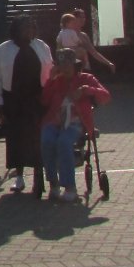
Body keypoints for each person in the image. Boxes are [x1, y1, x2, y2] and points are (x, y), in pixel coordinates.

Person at [0, 15, 53, 196]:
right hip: (13, 99)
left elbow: (50, 70)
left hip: (37, 98)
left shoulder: (41, 46)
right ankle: (19, 176)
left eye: (31, 27)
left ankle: (38, 174)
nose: (29, 31)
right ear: (16, 30)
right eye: (25, 27)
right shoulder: (3, 50)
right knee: (16, 136)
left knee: (36, 136)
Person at [39, 50, 110, 204]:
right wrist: (50, 81)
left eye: (67, 65)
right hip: (54, 121)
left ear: (74, 65)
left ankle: (70, 187)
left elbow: (105, 96)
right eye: (61, 66)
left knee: (64, 142)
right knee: (46, 140)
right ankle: (53, 183)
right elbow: (44, 101)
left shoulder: (86, 79)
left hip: (76, 123)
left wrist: (86, 90)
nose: (64, 69)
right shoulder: (56, 81)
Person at [56, 8, 115, 74]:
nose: (82, 19)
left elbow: (94, 52)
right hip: (69, 68)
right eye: (80, 17)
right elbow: (59, 50)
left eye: (84, 17)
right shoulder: (65, 33)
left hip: (84, 69)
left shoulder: (84, 36)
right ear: (73, 19)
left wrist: (108, 63)